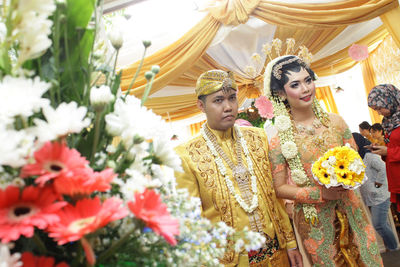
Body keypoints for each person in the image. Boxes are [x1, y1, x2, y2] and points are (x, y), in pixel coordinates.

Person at [174, 70, 303, 267]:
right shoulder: (186, 155)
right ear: (201, 105)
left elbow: (274, 197)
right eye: (218, 100)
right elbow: (192, 222)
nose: (228, 107)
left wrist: (291, 243)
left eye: (232, 98)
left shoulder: (257, 138)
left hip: (278, 255)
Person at [265, 55, 383, 266]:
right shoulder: (278, 139)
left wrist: (348, 176)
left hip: (351, 206)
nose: (305, 88)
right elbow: (279, 187)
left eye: (308, 80)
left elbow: (356, 161)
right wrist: (320, 193)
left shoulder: (336, 123)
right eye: (295, 84)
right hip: (316, 220)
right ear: (281, 93)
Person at [352, 132, 398, 251]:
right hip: (371, 197)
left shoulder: (369, 156)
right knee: (382, 224)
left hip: (381, 195)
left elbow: (383, 168)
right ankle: (392, 247)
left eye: (352, 142)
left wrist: (377, 184)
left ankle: (393, 248)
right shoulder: (358, 158)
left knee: (379, 224)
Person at [367, 84, 400, 212]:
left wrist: (389, 151)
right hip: (396, 178)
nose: (379, 113)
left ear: (389, 100)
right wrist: (382, 150)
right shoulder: (388, 122)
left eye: (380, 108)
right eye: (376, 110)